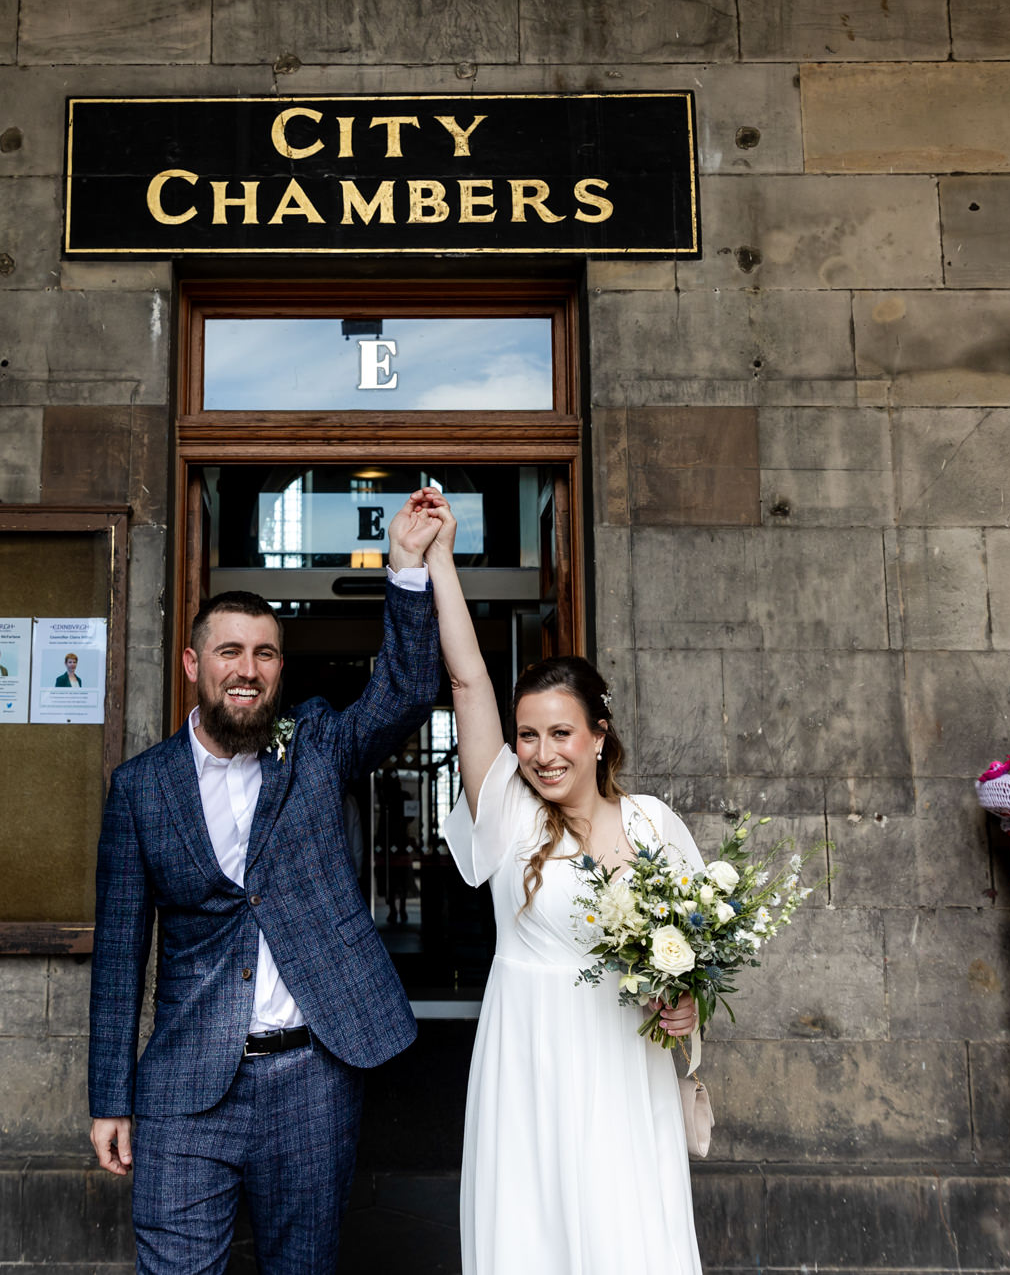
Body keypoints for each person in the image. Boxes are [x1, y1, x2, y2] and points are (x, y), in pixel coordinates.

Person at [87, 492, 445, 1275]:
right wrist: (109, 1095)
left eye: (265, 653)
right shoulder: (141, 788)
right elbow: (119, 954)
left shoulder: (315, 746)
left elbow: (409, 695)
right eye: (229, 651)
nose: (247, 669)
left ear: (280, 668)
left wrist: (408, 568)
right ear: (193, 664)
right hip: (186, 1082)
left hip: (312, 1077)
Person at [423, 491, 705, 1275]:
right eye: (527, 735)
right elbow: (469, 681)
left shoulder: (653, 826)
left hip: (621, 1060)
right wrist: (442, 558)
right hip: (529, 1059)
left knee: (623, 1228)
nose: (541, 753)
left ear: (597, 734)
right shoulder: (510, 811)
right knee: (532, 1229)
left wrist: (686, 1004)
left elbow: (692, 959)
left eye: (559, 733)